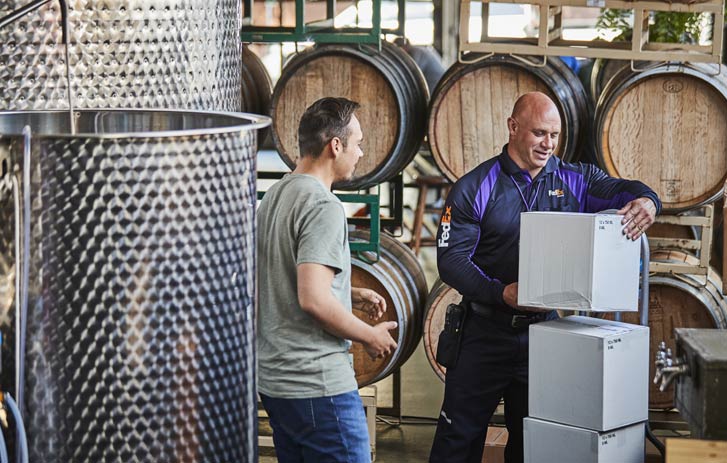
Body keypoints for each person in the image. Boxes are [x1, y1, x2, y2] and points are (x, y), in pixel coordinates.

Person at [429, 92, 661, 463]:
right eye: (539, 133)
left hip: (544, 335)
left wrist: (649, 201)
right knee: (459, 439)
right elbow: (451, 260)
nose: (548, 144)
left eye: (554, 135)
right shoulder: (476, 186)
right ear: (513, 127)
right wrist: (501, 292)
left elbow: (623, 189)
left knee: (534, 442)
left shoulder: (574, 179)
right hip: (483, 333)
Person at [257, 97, 398, 463]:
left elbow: (284, 276)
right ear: (335, 146)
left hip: (276, 383)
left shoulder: (276, 195)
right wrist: (370, 335)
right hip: (317, 386)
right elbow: (313, 301)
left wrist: (349, 292)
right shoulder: (323, 206)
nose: (361, 152)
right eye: (358, 143)